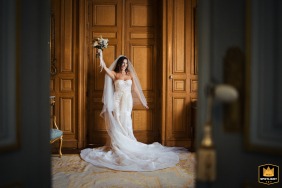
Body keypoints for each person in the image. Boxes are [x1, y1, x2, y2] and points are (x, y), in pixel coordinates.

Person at [80, 49, 186, 171]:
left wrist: (143, 102)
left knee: (126, 121)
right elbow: (104, 67)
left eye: (126, 63)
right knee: (117, 120)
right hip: (117, 100)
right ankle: (117, 145)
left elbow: (135, 89)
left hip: (127, 101)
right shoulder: (115, 74)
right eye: (122, 63)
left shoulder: (130, 74)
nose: (124, 65)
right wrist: (101, 55)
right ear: (119, 64)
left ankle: (127, 143)